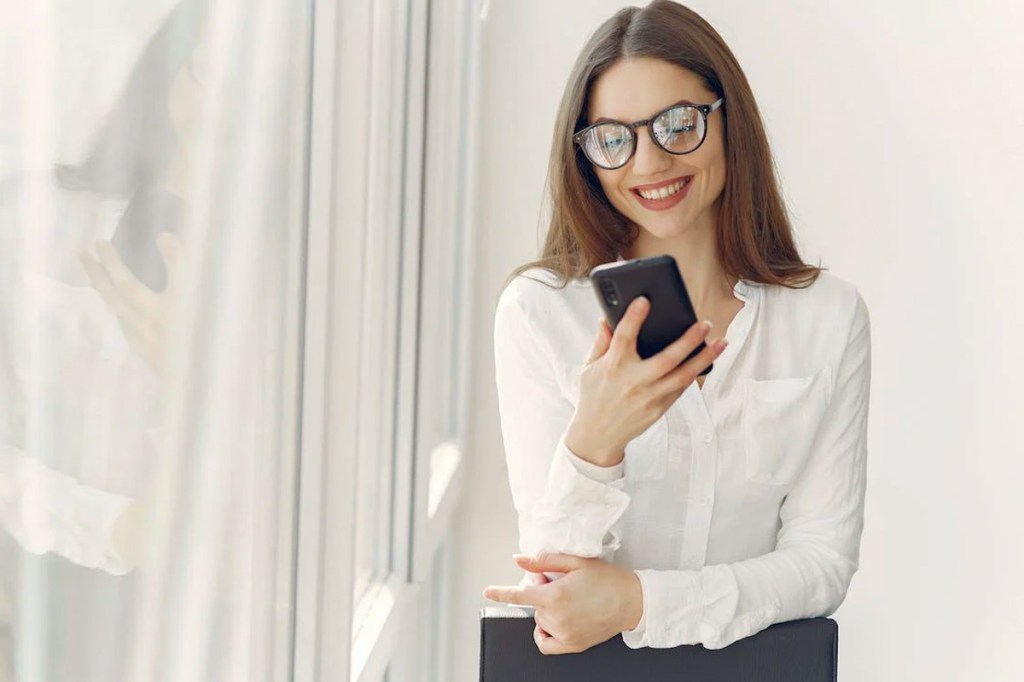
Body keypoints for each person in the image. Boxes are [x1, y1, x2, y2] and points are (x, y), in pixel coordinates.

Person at [482, 0, 872, 657]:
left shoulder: (828, 318)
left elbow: (822, 563)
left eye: (678, 124)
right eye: (614, 137)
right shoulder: (539, 314)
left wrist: (641, 603)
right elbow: (553, 589)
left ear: (727, 121)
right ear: (586, 155)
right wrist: (594, 440)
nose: (650, 163)